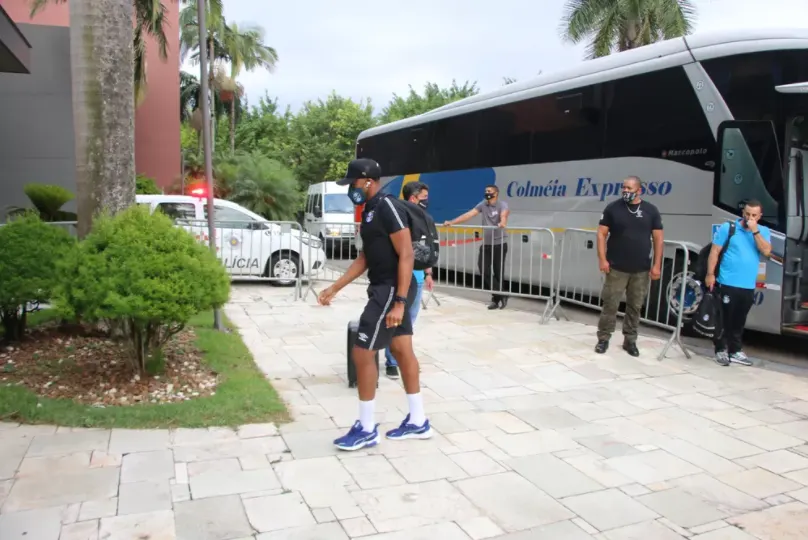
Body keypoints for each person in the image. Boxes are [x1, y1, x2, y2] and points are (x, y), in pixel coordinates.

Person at [318, 158, 433, 451]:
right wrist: (335, 287)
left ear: (368, 180)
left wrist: (399, 301)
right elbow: (365, 258)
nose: (351, 189)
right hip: (385, 288)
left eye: (353, 183)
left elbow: (406, 254)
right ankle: (418, 420)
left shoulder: (387, 207)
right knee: (401, 349)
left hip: (392, 289)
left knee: (362, 350)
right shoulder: (369, 211)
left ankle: (367, 428)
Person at [595, 176, 664, 357]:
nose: (625, 191)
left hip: (641, 269)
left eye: (629, 188)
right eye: (623, 187)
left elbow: (658, 239)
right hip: (616, 268)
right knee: (610, 304)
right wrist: (603, 259)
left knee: (635, 306)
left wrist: (657, 265)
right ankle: (603, 338)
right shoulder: (613, 209)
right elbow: (601, 234)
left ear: (639, 190)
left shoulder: (651, 211)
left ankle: (630, 340)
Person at [705, 200, 771, 367]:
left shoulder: (763, 231)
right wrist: (710, 274)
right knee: (724, 318)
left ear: (759, 216)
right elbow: (715, 251)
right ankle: (721, 349)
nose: (749, 217)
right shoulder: (729, 228)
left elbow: (766, 251)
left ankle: (735, 350)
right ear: (743, 213)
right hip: (727, 282)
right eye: (747, 214)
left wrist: (755, 231)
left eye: (754, 215)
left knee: (739, 320)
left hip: (748, 285)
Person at [384, 182, 434, 379]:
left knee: (409, 322)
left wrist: (428, 273)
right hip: (403, 278)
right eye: (424, 198)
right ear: (413, 198)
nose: (427, 202)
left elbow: (426, 247)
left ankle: (400, 356)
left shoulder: (423, 218)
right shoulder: (399, 220)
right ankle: (392, 360)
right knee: (396, 319)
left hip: (419, 277)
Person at [444, 185, 510, 309]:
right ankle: (502, 294)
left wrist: (502, 222)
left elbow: (504, 215)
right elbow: (469, 214)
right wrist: (452, 222)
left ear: (496, 193)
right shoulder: (483, 204)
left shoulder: (502, 205)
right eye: (486, 191)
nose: (487, 193)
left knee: (498, 273)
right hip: (486, 244)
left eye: (489, 191)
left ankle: (496, 300)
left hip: (500, 244)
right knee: (484, 270)